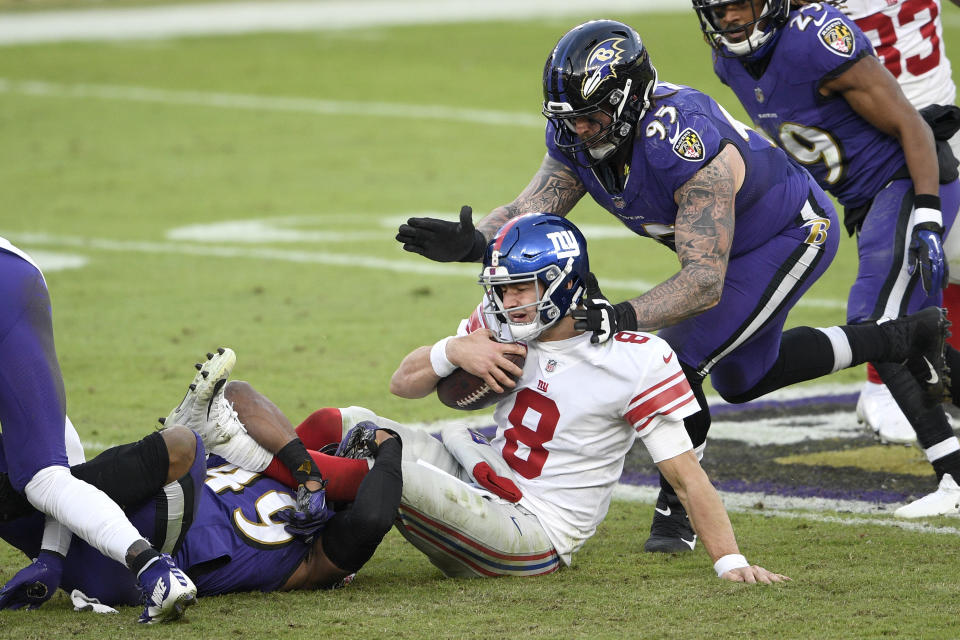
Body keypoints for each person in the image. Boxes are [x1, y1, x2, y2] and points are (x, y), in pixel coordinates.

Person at [394, 20, 951, 552]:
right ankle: (898, 338)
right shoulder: (575, 133)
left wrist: (621, 316)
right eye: (570, 117)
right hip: (721, 250)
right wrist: (474, 242)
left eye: (591, 116)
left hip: (786, 235)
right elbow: (531, 208)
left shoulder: (678, 138)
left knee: (683, 357)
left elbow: (704, 282)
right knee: (742, 377)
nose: (579, 129)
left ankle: (677, 509)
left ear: (630, 99)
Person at [692, 0, 960, 517]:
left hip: (906, 181)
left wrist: (926, 211)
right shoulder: (727, 64)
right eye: (719, 9)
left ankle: (954, 475)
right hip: (865, 200)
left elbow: (911, 124)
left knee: (877, 324)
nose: (730, 19)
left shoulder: (815, 36)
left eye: (740, 5)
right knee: (913, 342)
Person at [0, 349, 402, 608]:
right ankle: (45, 502)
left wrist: (390, 445)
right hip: (95, 526)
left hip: (141, 561)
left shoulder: (319, 552)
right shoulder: (283, 469)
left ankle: (46, 490)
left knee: (184, 445)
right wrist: (307, 475)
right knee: (23, 439)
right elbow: (235, 394)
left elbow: (371, 519)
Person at [0, 236, 197, 623]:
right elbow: (59, 444)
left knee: (40, 476)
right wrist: (52, 556)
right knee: (44, 475)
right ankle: (156, 569)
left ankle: (154, 570)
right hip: (17, 271)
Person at [841, 0, 960, 445]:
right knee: (899, 267)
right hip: (879, 141)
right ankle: (880, 387)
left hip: (942, 120)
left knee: (952, 259)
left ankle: (939, 378)